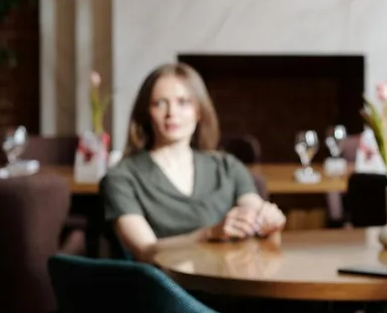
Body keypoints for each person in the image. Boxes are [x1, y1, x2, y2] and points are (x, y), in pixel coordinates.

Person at [101, 62, 286, 261]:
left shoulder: (227, 166)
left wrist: (268, 218)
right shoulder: (121, 178)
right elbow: (147, 250)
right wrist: (209, 234)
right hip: (167, 288)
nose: (172, 113)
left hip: (231, 282)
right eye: (160, 103)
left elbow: (253, 207)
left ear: (199, 111)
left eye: (183, 102)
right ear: (147, 112)